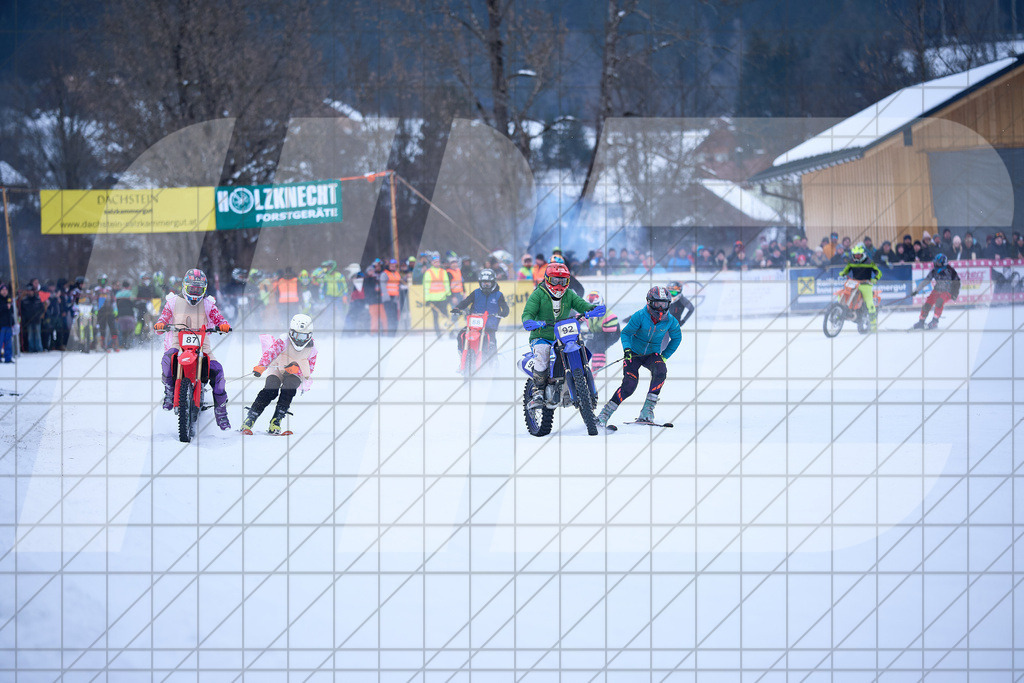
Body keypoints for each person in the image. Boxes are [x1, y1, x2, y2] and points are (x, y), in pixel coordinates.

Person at [153, 269, 232, 430]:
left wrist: (223, 325)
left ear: (203, 289)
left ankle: (221, 412)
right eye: (192, 289)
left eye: (198, 289)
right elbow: (163, 319)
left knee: (218, 372)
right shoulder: (173, 302)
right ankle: (169, 391)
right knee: (168, 359)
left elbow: (219, 318)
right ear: (184, 287)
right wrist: (160, 325)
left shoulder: (208, 304)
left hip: (203, 346)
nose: (195, 293)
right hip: (178, 343)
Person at [596, 286, 681, 426]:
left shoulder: (671, 321)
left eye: (664, 304)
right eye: (657, 304)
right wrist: (627, 349)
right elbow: (626, 333)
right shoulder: (639, 316)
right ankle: (603, 415)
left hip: (652, 354)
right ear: (649, 302)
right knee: (629, 384)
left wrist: (664, 356)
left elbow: (677, 338)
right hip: (634, 354)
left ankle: (647, 411)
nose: (660, 308)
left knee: (661, 370)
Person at [521, 262, 602, 409]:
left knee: (580, 345)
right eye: (555, 281)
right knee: (543, 352)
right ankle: (538, 391)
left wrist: (593, 309)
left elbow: (582, 304)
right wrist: (533, 322)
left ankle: (587, 389)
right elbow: (527, 314)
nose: (559, 285)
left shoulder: (569, 294)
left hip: (564, 335)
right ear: (547, 279)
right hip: (542, 336)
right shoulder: (538, 294)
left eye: (563, 281)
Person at [242, 313, 317, 435]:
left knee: (289, 388)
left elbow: (311, 368)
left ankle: (276, 420)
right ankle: (251, 417)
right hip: (277, 367)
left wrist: (296, 370)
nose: (299, 339)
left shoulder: (313, 349)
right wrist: (261, 366)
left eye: (303, 336)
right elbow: (270, 353)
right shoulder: (283, 341)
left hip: (295, 373)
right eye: (296, 335)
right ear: (291, 332)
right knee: (271, 388)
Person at [450, 268, 509, 355]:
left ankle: (493, 360)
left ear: (493, 283)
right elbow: (466, 302)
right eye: (483, 283)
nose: (485, 285)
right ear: (480, 283)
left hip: (490, 325)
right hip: (475, 325)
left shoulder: (498, 295)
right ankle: (462, 354)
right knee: (461, 335)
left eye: (488, 283)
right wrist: (458, 308)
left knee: (491, 343)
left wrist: (502, 313)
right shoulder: (476, 293)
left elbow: (505, 308)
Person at [838, 243, 882, 332]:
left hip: (866, 284)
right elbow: (846, 269)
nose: (857, 257)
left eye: (859, 255)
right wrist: (843, 273)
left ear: (863, 254)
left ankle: (873, 325)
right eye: (855, 255)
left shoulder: (869, 262)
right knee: (843, 293)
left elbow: (878, 272)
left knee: (870, 303)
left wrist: (875, 278)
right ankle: (839, 310)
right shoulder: (851, 262)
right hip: (854, 283)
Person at [911, 253, 961, 330]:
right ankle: (921, 321)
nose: (935, 264)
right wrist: (917, 290)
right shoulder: (934, 271)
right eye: (935, 262)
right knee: (927, 303)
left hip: (948, 291)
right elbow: (926, 281)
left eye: (937, 263)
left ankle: (935, 321)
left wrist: (955, 294)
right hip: (937, 290)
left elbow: (957, 282)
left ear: (942, 263)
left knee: (939, 302)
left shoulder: (950, 271)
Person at [581, 291, 619, 371]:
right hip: (597, 331)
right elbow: (579, 318)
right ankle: (584, 365)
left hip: (611, 333)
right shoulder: (588, 314)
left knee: (599, 344)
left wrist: (592, 336)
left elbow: (609, 334)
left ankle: (597, 367)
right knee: (588, 344)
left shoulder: (609, 316)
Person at [423, 255, 451, 336]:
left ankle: (449, 332)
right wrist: (427, 299)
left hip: (442, 299)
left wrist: (448, 295)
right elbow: (426, 287)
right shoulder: (428, 272)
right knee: (435, 317)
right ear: (432, 263)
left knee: (446, 316)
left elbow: (446, 284)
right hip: (433, 299)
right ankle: (438, 333)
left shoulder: (443, 271)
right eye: (435, 262)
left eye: (438, 262)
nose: (437, 263)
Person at [114, 280, 136, 350]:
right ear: (128, 286)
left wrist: (116, 314)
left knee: (123, 331)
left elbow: (115, 305)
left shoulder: (118, 294)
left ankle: (123, 344)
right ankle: (129, 344)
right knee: (131, 330)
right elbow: (134, 303)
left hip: (121, 315)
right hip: (129, 315)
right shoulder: (131, 293)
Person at [0, 282, 14, 362]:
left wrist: (14, 323)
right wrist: (5, 307)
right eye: (3, 290)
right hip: (1, 325)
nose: (4, 291)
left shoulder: (9, 300)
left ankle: (8, 358)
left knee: (8, 343)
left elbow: (11, 313)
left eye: (6, 290)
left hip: (8, 325)